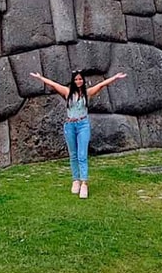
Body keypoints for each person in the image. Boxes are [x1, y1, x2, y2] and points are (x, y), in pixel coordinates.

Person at [28, 69, 127, 199]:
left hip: (83, 125)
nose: (78, 81)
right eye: (76, 79)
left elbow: (101, 85)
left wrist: (114, 77)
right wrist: (40, 78)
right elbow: (53, 84)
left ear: (83, 80)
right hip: (70, 125)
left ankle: (84, 183)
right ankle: (75, 180)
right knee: (73, 155)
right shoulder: (67, 92)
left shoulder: (87, 93)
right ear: (73, 81)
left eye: (80, 79)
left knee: (82, 155)